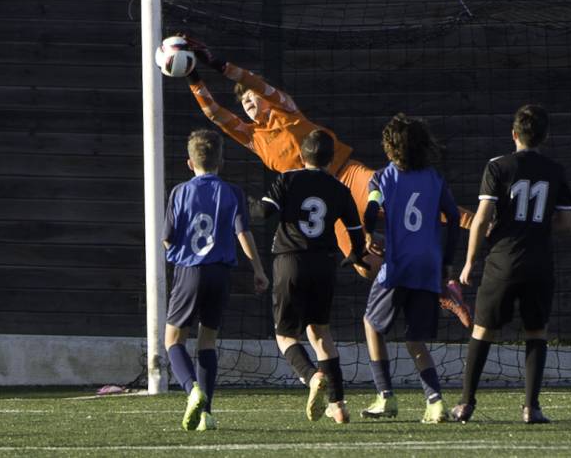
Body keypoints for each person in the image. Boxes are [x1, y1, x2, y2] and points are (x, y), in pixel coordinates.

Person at [179, 34, 474, 327]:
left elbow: (254, 81)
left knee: (407, 202)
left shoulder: (286, 110)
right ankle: (441, 290)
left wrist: (215, 63)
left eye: (251, 97)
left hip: (348, 175)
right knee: (365, 265)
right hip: (328, 203)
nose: (248, 104)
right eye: (243, 101)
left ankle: (481, 222)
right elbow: (215, 114)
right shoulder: (255, 140)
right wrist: (193, 76)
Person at [451, 104, 571, 424]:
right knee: (536, 331)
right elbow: (567, 223)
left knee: (483, 330)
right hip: (539, 262)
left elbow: (481, 220)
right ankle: (531, 408)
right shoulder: (555, 170)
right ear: (544, 137)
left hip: (502, 261)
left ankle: (466, 404)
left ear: (514, 134)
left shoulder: (497, 167)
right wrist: (537, 225)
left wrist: (469, 262)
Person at [252, 129, 367, 424]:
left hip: (290, 262)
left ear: (302, 157)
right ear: (331, 159)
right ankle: (339, 405)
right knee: (320, 332)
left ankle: (310, 375)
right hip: (324, 264)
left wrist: (247, 205)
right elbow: (355, 232)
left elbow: (264, 213)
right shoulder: (339, 188)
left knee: (285, 335)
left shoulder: (289, 179)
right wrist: (354, 255)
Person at [162, 129, 269, 431]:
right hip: (220, 273)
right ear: (221, 162)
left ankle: (192, 389)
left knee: (173, 340)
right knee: (207, 340)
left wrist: (179, 253)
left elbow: (167, 239)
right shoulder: (232, 192)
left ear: (189, 162)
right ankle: (206, 413)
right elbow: (242, 233)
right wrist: (258, 270)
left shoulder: (179, 192)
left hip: (189, 271)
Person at [359, 113, 460, 424]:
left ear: (390, 147)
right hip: (428, 266)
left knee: (371, 324)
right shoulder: (435, 179)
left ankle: (385, 396)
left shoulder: (382, 178)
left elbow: (372, 208)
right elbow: (454, 218)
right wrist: (447, 261)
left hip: (398, 265)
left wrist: (366, 232)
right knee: (415, 339)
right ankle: (436, 402)